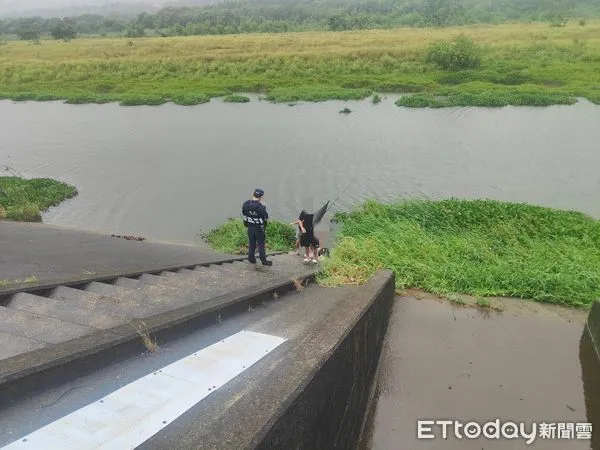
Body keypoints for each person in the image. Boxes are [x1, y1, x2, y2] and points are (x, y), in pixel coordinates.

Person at [242, 188, 273, 266]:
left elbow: (244, 213)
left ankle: (251, 258)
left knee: (252, 243)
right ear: (261, 197)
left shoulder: (245, 204)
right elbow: (266, 217)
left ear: (253, 194)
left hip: (250, 227)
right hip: (259, 228)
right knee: (261, 245)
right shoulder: (261, 207)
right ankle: (264, 260)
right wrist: (264, 206)